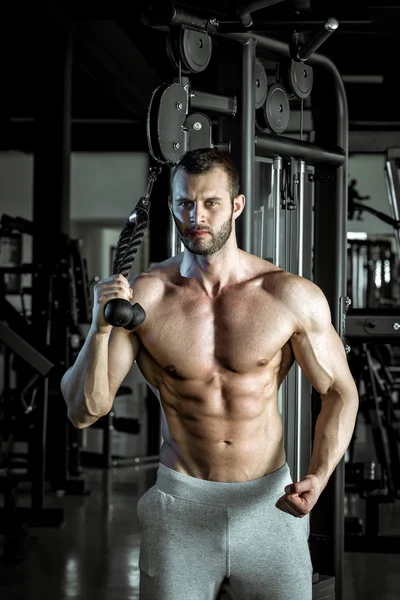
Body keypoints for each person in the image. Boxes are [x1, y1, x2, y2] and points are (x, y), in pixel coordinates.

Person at [61, 147, 359, 600]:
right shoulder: (148, 297)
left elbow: (340, 391)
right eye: (185, 203)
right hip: (180, 509)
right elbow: (85, 411)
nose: (196, 216)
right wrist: (98, 331)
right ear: (171, 206)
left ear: (236, 205)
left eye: (211, 203)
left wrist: (318, 475)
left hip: (269, 508)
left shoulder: (288, 295)